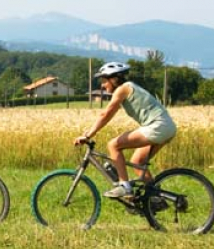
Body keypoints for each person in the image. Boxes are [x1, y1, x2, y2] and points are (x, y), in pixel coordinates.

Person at [74, 62, 177, 198]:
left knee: (113, 145)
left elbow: (106, 114)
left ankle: (124, 186)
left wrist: (88, 135)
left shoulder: (122, 89)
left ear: (114, 79)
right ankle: (155, 198)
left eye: (105, 81)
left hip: (157, 126)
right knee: (137, 161)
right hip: (167, 127)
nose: (102, 85)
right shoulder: (130, 87)